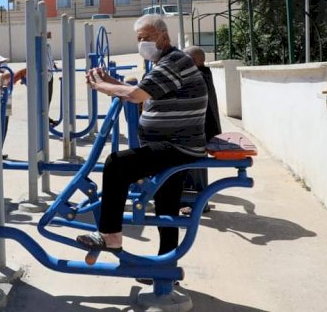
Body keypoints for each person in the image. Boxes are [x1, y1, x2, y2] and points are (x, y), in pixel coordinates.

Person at [76, 14, 208, 258]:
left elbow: (136, 95)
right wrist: (110, 81)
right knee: (166, 204)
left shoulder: (173, 62)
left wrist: (100, 86)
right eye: (139, 39)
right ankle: (164, 265)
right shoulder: (167, 63)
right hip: (177, 144)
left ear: (164, 37)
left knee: (116, 165)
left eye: (148, 37)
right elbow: (144, 92)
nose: (143, 43)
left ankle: (110, 236)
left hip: (177, 146)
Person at [181, 45, 223, 213]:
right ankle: (196, 203)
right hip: (202, 131)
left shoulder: (197, 77)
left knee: (195, 170)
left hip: (200, 133)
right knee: (193, 169)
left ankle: (197, 204)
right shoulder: (203, 74)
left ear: (193, 61)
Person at [46, 31, 59, 127]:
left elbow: (50, 58)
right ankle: (44, 119)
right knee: (43, 99)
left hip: (50, 75)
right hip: (43, 77)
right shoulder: (38, 47)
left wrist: (54, 65)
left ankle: (46, 117)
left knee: (48, 99)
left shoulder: (48, 46)